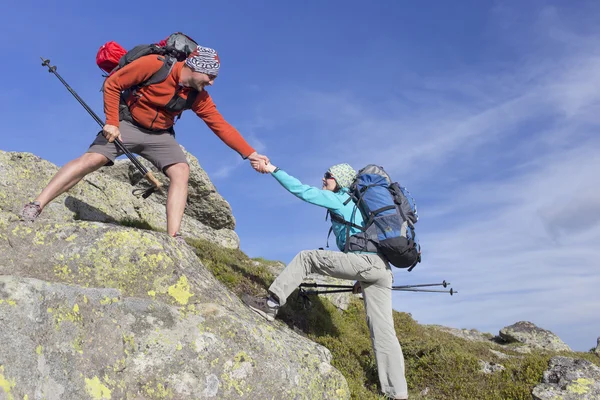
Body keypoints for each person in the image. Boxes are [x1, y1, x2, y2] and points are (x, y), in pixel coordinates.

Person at [20, 45, 269, 241]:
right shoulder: (154, 66)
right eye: (210, 75)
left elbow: (220, 125)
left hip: (160, 136)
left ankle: (174, 237)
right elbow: (113, 83)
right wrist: (112, 122)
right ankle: (36, 205)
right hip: (127, 125)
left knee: (181, 171)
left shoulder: (198, 96)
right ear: (195, 67)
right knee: (93, 159)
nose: (212, 82)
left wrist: (251, 154)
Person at [242, 162, 409, 400]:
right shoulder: (361, 207)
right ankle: (398, 393)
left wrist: (273, 170)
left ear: (339, 180)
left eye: (328, 176)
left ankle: (270, 305)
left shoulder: (340, 199)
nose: (323, 179)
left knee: (306, 258)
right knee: (384, 332)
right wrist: (362, 277)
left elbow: (302, 191)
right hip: (382, 269)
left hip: (366, 264)